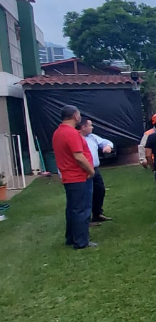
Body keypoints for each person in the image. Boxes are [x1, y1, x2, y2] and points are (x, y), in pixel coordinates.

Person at [52, 105, 96, 250]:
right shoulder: (71, 133)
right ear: (75, 116)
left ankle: (71, 237)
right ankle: (81, 241)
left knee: (72, 208)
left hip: (68, 176)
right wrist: (91, 171)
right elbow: (78, 156)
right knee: (82, 210)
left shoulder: (58, 132)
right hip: (78, 177)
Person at [79, 117, 114, 226]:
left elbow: (106, 142)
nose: (92, 127)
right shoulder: (76, 138)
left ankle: (97, 213)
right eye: (90, 125)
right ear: (84, 127)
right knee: (86, 194)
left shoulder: (92, 137)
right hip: (83, 170)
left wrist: (107, 146)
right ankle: (85, 219)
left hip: (94, 169)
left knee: (100, 190)